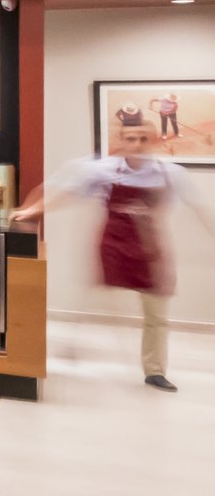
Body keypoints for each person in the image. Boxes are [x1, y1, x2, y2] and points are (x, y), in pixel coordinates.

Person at [16, 122, 212, 391]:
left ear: (153, 141)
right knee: (95, 297)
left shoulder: (170, 173)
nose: (137, 144)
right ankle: (73, 344)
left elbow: (198, 205)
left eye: (143, 138)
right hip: (114, 243)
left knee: (156, 314)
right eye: (131, 138)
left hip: (150, 247)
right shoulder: (103, 171)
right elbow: (66, 192)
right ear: (121, 141)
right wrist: (34, 210)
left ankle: (154, 371)